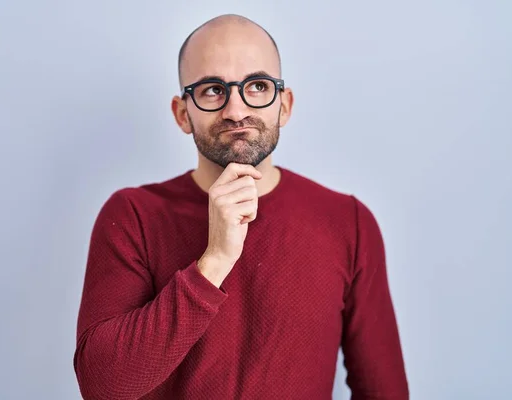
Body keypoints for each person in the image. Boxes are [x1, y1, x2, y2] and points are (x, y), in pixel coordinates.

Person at [73, 14, 409, 400]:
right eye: (213, 90)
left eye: (258, 85)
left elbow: (385, 391)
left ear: (284, 106)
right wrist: (214, 260)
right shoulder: (132, 215)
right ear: (183, 113)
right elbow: (102, 388)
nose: (236, 110)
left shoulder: (348, 222)